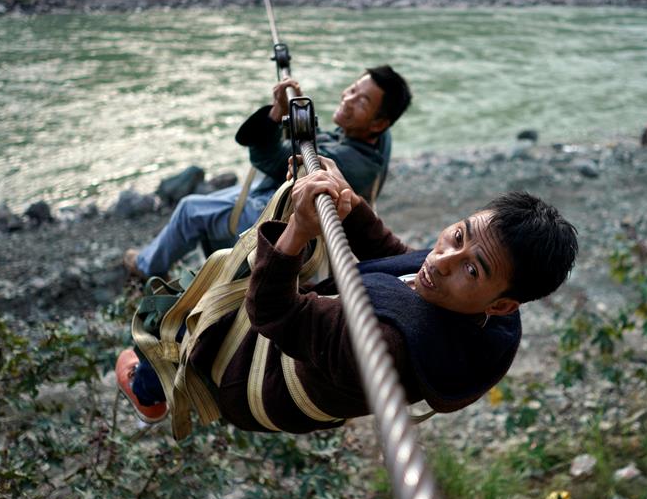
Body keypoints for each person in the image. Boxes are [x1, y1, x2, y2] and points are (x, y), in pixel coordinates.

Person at [116, 158, 579, 431]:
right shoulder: (483, 310)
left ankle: (149, 389)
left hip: (254, 378)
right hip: (322, 348)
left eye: (471, 268)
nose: (442, 261)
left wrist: (298, 230)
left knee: (203, 311)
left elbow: (272, 313)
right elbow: (400, 261)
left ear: (502, 304)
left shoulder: (383, 344)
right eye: (458, 235)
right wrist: (352, 205)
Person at [123, 66, 412, 280]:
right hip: (294, 209)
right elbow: (321, 142)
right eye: (352, 89)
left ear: (379, 123)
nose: (347, 99)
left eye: (361, 102)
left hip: (286, 222)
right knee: (207, 210)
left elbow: (273, 159)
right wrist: (297, 114)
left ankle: (146, 268)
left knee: (190, 209)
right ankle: (217, 265)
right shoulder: (374, 137)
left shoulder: (350, 163)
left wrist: (277, 114)